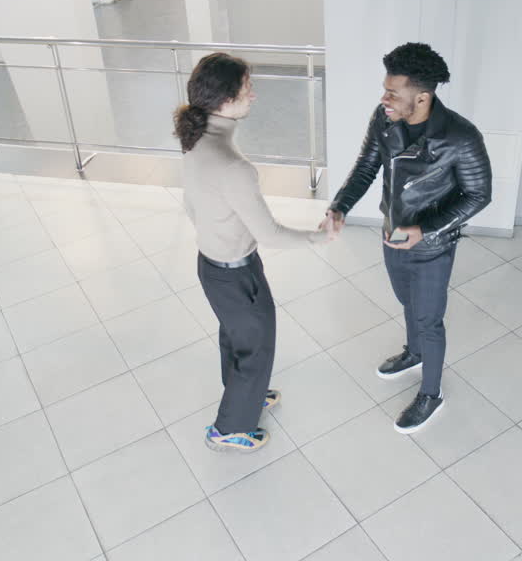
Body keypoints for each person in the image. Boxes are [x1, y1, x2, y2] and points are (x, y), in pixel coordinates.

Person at [321, 42, 492, 433]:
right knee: (407, 302)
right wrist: (340, 206)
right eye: (385, 89)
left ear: (422, 97)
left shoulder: (461, 137)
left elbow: (479, 195)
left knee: (429, 319)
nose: (384, 98)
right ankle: (414, 353)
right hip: (392, 233)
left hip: (432, 246)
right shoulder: (384, 120)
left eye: (393, 92)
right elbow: (365, 167)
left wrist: (426, 230)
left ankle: (431, 394)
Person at [175, 52, 331, 453]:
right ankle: (228, 429)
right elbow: (272, 233)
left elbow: (191, 205)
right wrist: (319, 238)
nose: (254, 96)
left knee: (236, 337)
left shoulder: (194, 141)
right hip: (236, 272)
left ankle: (246, 394)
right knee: (256, 346)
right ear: (225, 101)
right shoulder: (233, 166)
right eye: (247, 89)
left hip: (212, 267)